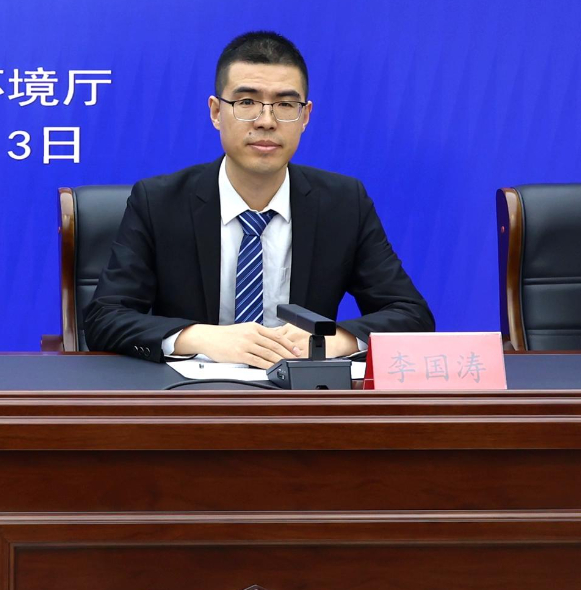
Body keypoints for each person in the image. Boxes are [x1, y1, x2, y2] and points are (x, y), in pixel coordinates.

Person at [82, 30, 433, 366]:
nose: (266, 121)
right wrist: (201, 337)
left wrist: (330, 340)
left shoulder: (343, 204)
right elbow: (104, 318)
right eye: (247, 102)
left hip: (302, 396)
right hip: (191, 396)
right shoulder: (159, 203)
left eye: (285, 104)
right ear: (216, 112)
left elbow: (412, 314)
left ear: (305, 116)